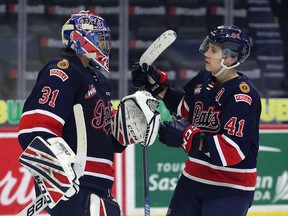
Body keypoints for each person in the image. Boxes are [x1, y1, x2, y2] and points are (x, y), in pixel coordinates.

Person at [131, 25, 262, 216]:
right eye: (208, 47)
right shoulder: (203, 79)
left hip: (230, 187)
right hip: (192, 180)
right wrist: (158, 87)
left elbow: (231, 150)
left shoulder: (243, 95)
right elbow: (185, 109)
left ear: (231, 58)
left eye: (214, 50)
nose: (206, 53)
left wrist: (187, 137)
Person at [18, 10, 127, 216]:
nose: (105, 45)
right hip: (73, 185)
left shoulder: (98, 80)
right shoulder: (63, 71)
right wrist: (57, 168)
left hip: (99, 185)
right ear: (81, 39)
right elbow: (35, 128)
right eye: (100, 38)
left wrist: (128, 125)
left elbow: (106, 137)